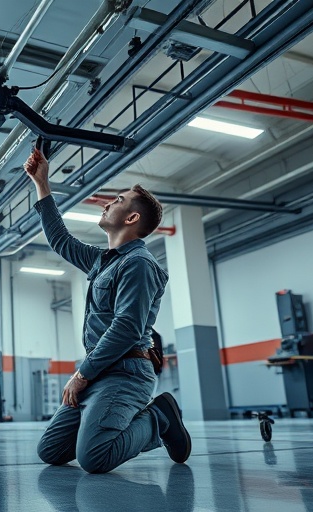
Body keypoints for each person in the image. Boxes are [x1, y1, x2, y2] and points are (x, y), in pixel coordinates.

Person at [24, 145, 190, 473]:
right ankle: (103, 419)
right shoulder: (103, 262)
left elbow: (127, 327)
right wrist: (42, 184)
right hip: (99, 371)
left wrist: (82, 374)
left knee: (94, 458)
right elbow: (61, 241)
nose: (107, 203)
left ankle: (159, 418)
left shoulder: (139, 263)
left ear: (132, 218)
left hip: (125, 373)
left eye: (118, 200)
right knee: (50, 451)